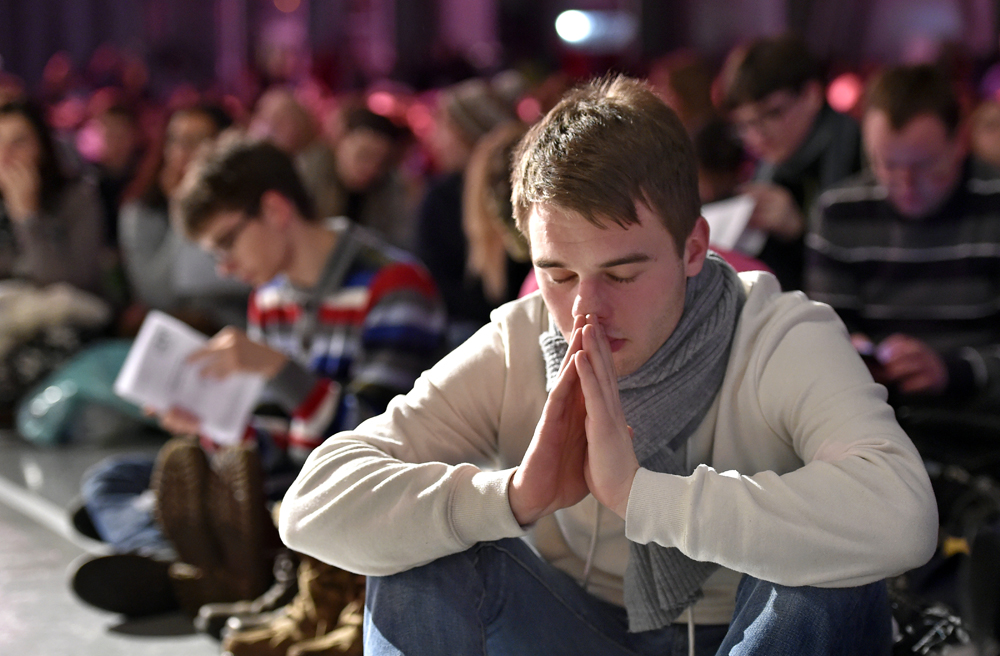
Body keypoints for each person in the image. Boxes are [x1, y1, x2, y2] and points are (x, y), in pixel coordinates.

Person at [278, 76, 937, 655]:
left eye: (622, 273)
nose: (586, 309)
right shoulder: (522, 339)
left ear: (693, 248)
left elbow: (902, 516)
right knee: (422, 560)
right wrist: (511, 497)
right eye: (557, 274)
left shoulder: (778, 332)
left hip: (753, 631)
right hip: (574, 627)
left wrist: (641, 497)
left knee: (831, 572)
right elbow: (312, 503)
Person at [70, 139, 447, 648]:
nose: (224, 266)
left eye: (227, 242)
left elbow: (382, 443)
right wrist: (213, 426)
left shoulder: (393, 284)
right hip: (286, 488)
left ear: (275, 209)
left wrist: (277, 368)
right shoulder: (270, 298)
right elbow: (280, 442)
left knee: (143, 498)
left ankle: (196, 567)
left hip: (356, 500)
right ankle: (205, 565)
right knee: (113, 479)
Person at [805, 64, 1000, 469]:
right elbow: (827, 333)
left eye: (926, 166)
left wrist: (952, 371)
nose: (906, 186)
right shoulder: (840, 212)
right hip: (873, 426)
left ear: (958, 142)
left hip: (981, 424)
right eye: (887, 165)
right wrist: (858, 354)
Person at [722, 34, 862, 291]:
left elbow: (867, 270)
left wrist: (798, 231)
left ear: (811, 95)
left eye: (772, 113)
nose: (757, 135)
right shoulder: (771, 167)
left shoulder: (859, 153)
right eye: (745, 124)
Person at [117, 104, 249, 334]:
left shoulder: (245, 205)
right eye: (175, 140)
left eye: (198, 141)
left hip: (239, 327)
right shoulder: (140, 211)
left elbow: (249, 281)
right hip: (177, 328)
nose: (183, 152)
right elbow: (156, 293)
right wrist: (181, 210)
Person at [0, 100, 107, 298]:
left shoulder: (78, 197)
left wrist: (27, 217)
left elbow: (73, 286)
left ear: (41, 147)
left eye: (18, 142)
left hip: (68, 320)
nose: (5, 156)